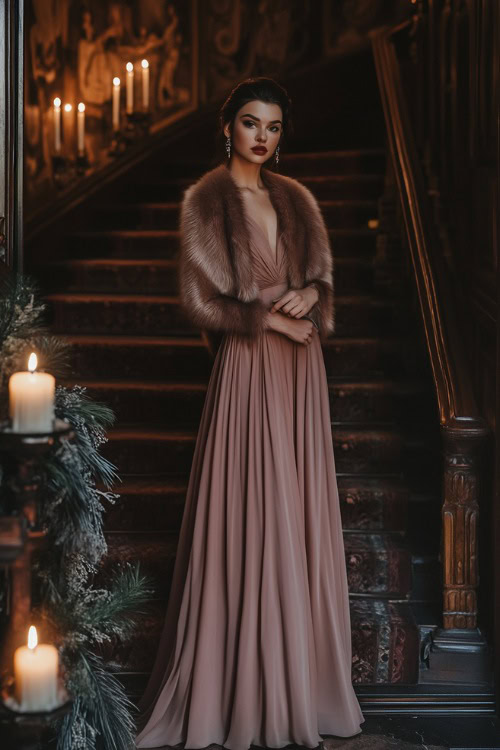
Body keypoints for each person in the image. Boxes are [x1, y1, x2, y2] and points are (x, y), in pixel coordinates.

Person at [135, 76, 365, 750]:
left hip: (300, 372)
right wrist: (266, 316)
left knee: (296, 515)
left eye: (273, 127)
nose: (262, 137)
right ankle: (235, 692)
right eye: (249, 123)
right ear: (226, 127)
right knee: (254, 513)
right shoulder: (205, 200)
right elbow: (200, 305)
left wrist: (309, 300)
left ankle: (301, 686)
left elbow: (322, 284)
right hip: (248, 368)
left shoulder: (296, 198)